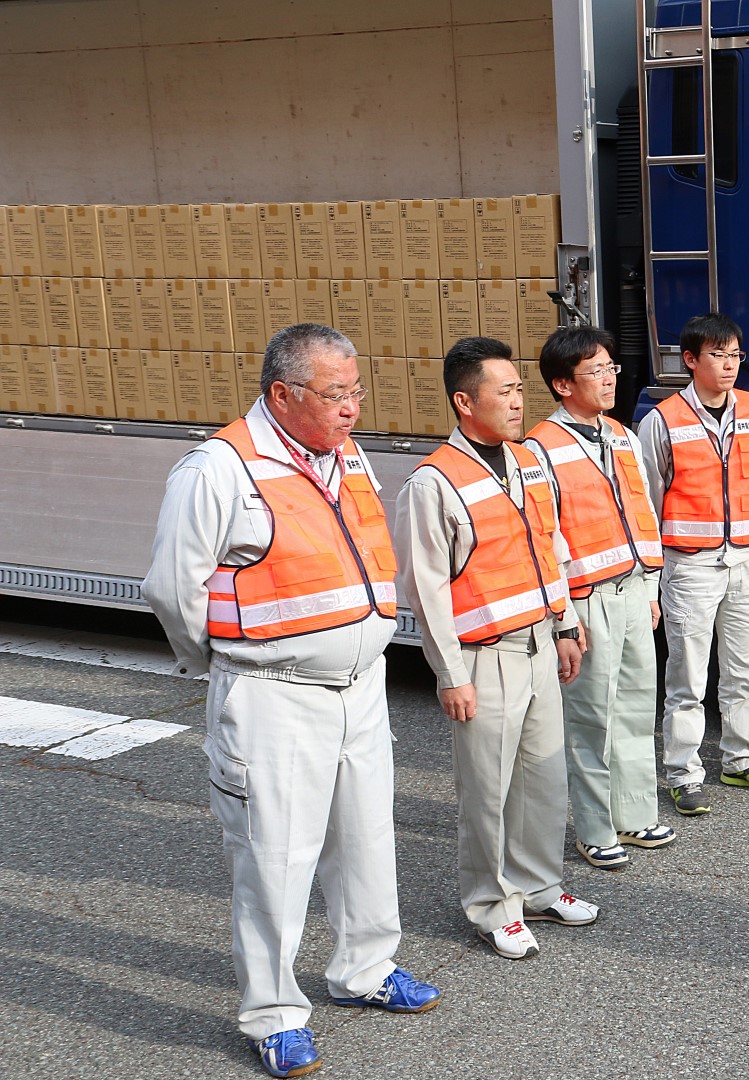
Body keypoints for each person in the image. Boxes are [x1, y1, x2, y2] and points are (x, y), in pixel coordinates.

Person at [144, 323, 440, 1079]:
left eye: (356, 390)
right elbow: (172, 587)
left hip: (360, 690)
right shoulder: (221, 468)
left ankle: (366, 970)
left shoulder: (343, 452)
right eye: (335, 395)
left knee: (367, 841)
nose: (353, 408)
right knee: (275, 861)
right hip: (274, 696)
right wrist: (223, 663)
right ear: (283, 394)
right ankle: (273, 1014)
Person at [393, 336, 600, 961]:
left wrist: (564, 624)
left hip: (539, 644)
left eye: (518, 391)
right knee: (486, 791)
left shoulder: (527, 459)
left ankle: (539, 885)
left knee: (542, 780)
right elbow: (426, 590)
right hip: (484, 659)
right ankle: (492, 904)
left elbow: (550, 546)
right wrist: (450, 674)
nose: (518, 403)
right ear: (465, 401)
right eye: (504, 392)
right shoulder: (433, 482)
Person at [524, 326, 672, 869]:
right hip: (587, 601)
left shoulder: (622, 435)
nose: (610, 378)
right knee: (591, 718)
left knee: (636, 708)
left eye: (611, 367)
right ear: (563, 384)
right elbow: (546, 538)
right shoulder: (538, 448)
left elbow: (644, 514)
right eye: (596, 371)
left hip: (633, 589)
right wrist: (562, 615)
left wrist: (652, 587)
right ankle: (593, 827)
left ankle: (634, 816)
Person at [638, 313, 749, 817]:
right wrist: (654, 573)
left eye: (735, 356)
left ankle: (743, 758)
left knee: (748, 668)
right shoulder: (661, 421)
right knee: (687, 675)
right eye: (717, 356)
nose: (729, 366)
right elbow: (649, 499)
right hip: (690, 565)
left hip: (747, 559)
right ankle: (683, 771)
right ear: (690, 360)